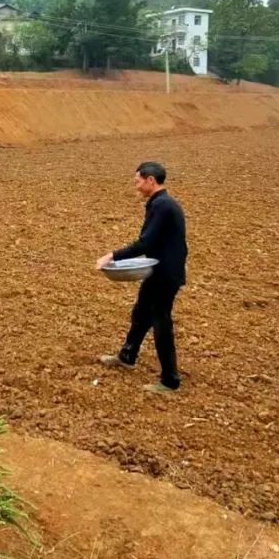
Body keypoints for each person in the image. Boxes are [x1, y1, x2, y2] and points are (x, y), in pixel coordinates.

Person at [95, 161, 187, 393]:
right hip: (157, 270)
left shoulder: (163, 206)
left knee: (161, 323)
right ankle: (127, 355)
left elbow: (146, 242)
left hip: (165, 275)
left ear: (150, 181)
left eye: (138, 182)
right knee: (141, 313)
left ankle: (170, 380)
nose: (136, 186)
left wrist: (112, 256)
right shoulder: (159, 203)